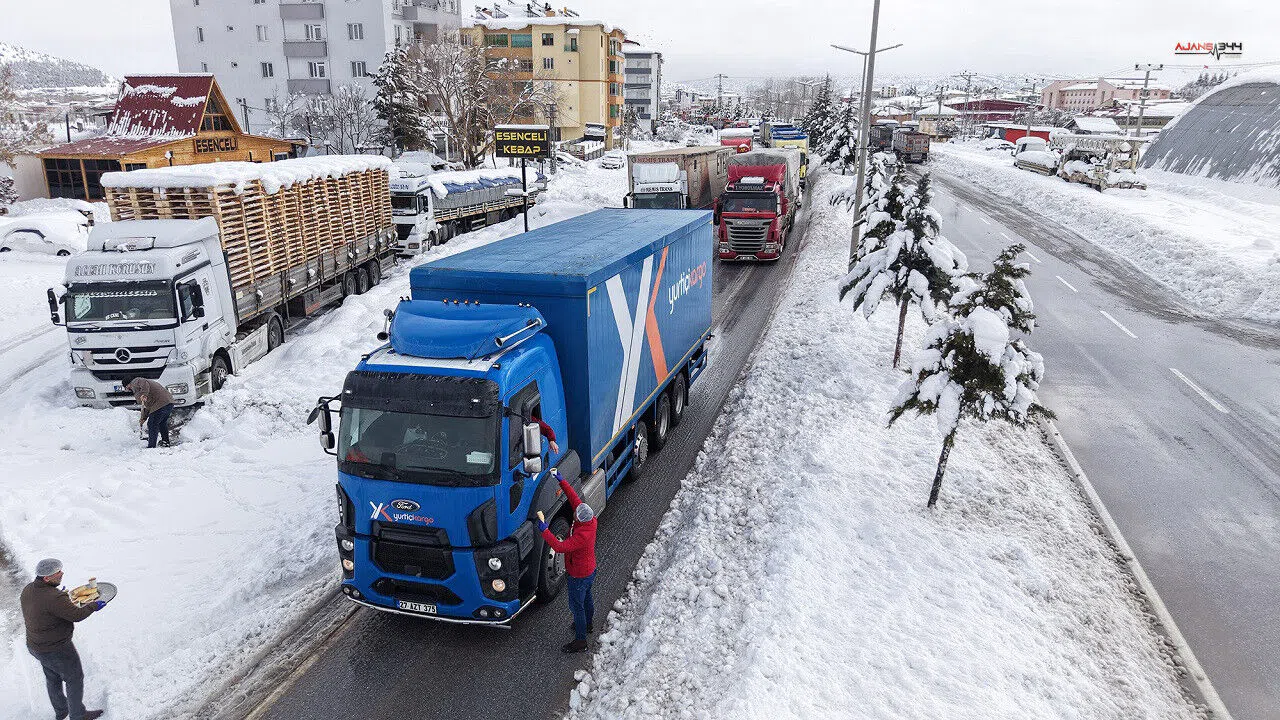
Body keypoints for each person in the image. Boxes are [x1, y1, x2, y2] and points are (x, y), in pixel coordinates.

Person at [20, 558, 106, 720]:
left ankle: (61, 711)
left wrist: (61, 598)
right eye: (57, 573)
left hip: (36, 646)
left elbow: (43, 607)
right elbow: (76, 615)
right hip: (56, 648)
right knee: (74, 678)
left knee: (53, 678)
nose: (62, 573)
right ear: (46, 578)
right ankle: (78, 715)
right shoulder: (54, 597)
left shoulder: (28, 589)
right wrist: (94, 605)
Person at [537, 471, 597, 653]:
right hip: (589, 570)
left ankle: (580, 641)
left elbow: (560, 546)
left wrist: (544, 530)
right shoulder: (589, 521)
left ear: (580, 518)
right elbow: (573, 498)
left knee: (576, 607)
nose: (575, 513)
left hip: (579, 574)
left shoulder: (581, 536)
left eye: (576, 515)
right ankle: (588, 624)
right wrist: (561, 479)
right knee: (587, 598)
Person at [126, 377, 174, 448]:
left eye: (126, 387)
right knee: (161, 423)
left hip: (160, 404)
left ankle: (151, 446)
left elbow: (144, 383)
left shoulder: (136, 381)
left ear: (127, 385)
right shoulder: (141, 390)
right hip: (168, 403)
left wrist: (144, 394)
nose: (126, 389)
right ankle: (165, 442)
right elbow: (148, 407)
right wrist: (143, 418)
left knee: (152, 424)